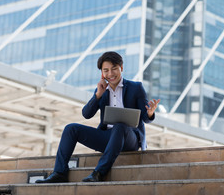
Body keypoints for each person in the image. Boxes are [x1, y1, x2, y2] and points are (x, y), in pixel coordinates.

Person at [35, 51, 160, 183]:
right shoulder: (101, 90)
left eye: (114, 69)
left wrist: (150, 112)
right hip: (107, 137)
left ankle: (98, 173)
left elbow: (146, 118)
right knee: (71, 129)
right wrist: (98, 95)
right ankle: (59, 173)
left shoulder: (136, 87)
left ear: (121, 68)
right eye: (106, 70)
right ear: (102, 72)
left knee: (120, 126)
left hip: (130, 139)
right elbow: (86, 114)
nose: (110, 74)